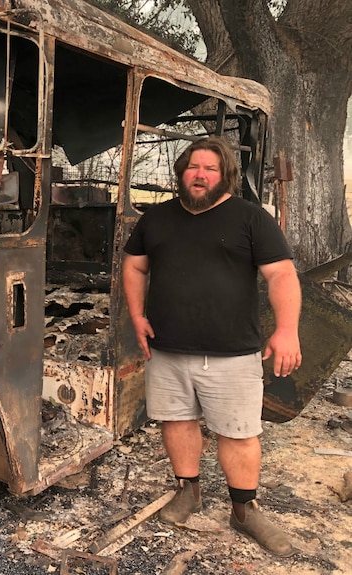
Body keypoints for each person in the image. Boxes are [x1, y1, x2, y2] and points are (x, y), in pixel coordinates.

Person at [122, 136, 302, 557]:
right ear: (181, 173)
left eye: (210, 169)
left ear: (226, 177)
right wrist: (136, 316)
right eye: (193, 167)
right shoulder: (156, 219)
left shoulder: (250, 218)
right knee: (176, 421)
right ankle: (188, 492)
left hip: (233, 351)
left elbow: (281, 276)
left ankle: (245, 509)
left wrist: (287, 329)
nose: (200, 174)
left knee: (238, 434)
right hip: (167, 348)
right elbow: (133, 264)